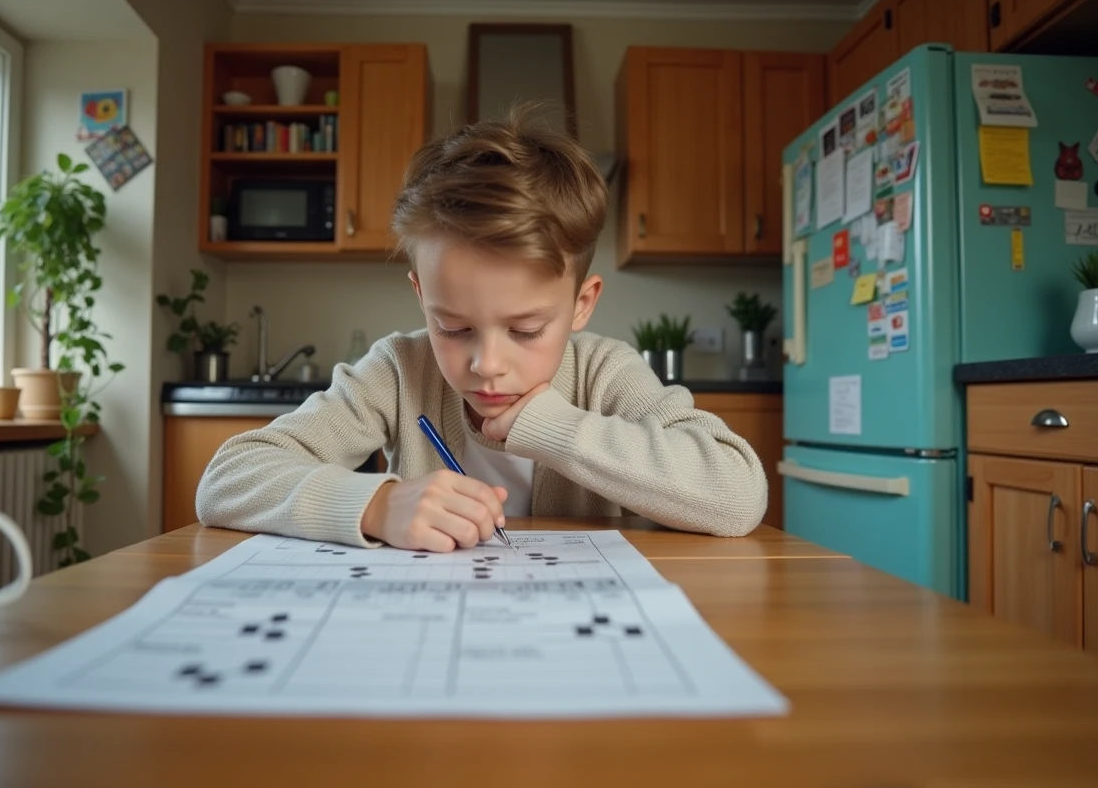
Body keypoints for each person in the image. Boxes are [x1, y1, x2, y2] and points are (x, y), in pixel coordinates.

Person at [196, 105, 768, 552]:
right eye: (453, 327)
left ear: (580, 305)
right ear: (422, 297)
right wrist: (374, 506)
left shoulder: (604, 372)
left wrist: (554, 426)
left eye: (525, 331)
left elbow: (739, 494)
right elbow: (227, 479)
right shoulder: (399, 370)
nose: (487, 364)